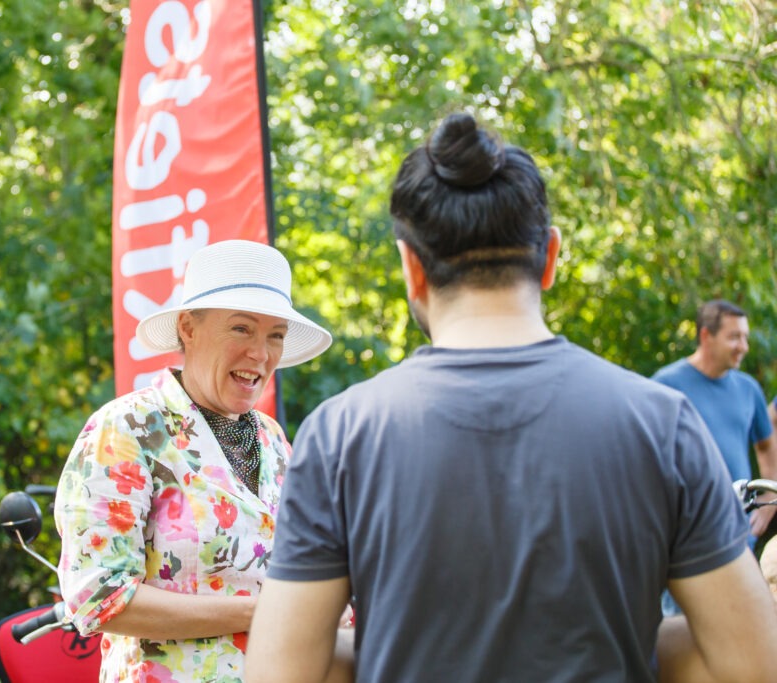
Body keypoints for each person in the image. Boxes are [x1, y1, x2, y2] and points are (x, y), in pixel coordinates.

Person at [245, 113, 777, 683]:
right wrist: (633, 640)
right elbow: (749, 664)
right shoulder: (664, 423)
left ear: (412, 269)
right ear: (549, 257)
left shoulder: (340, 436)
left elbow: (282, 673)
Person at [54, 239, 332, 682]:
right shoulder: (128, 429)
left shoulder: (274, 440)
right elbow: (98, 598)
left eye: (275, 335)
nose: (260, 353)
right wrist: (262, 613)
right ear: (188, 327)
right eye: (242, 329)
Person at [652, 299, 777, 541]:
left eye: (745, 337)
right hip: (683, 536)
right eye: (734, 337)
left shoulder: (748, 389)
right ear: (706, 336)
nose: (744, 346)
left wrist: (768, 501)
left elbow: (766, 445)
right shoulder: (665, 385)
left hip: (738, 535)